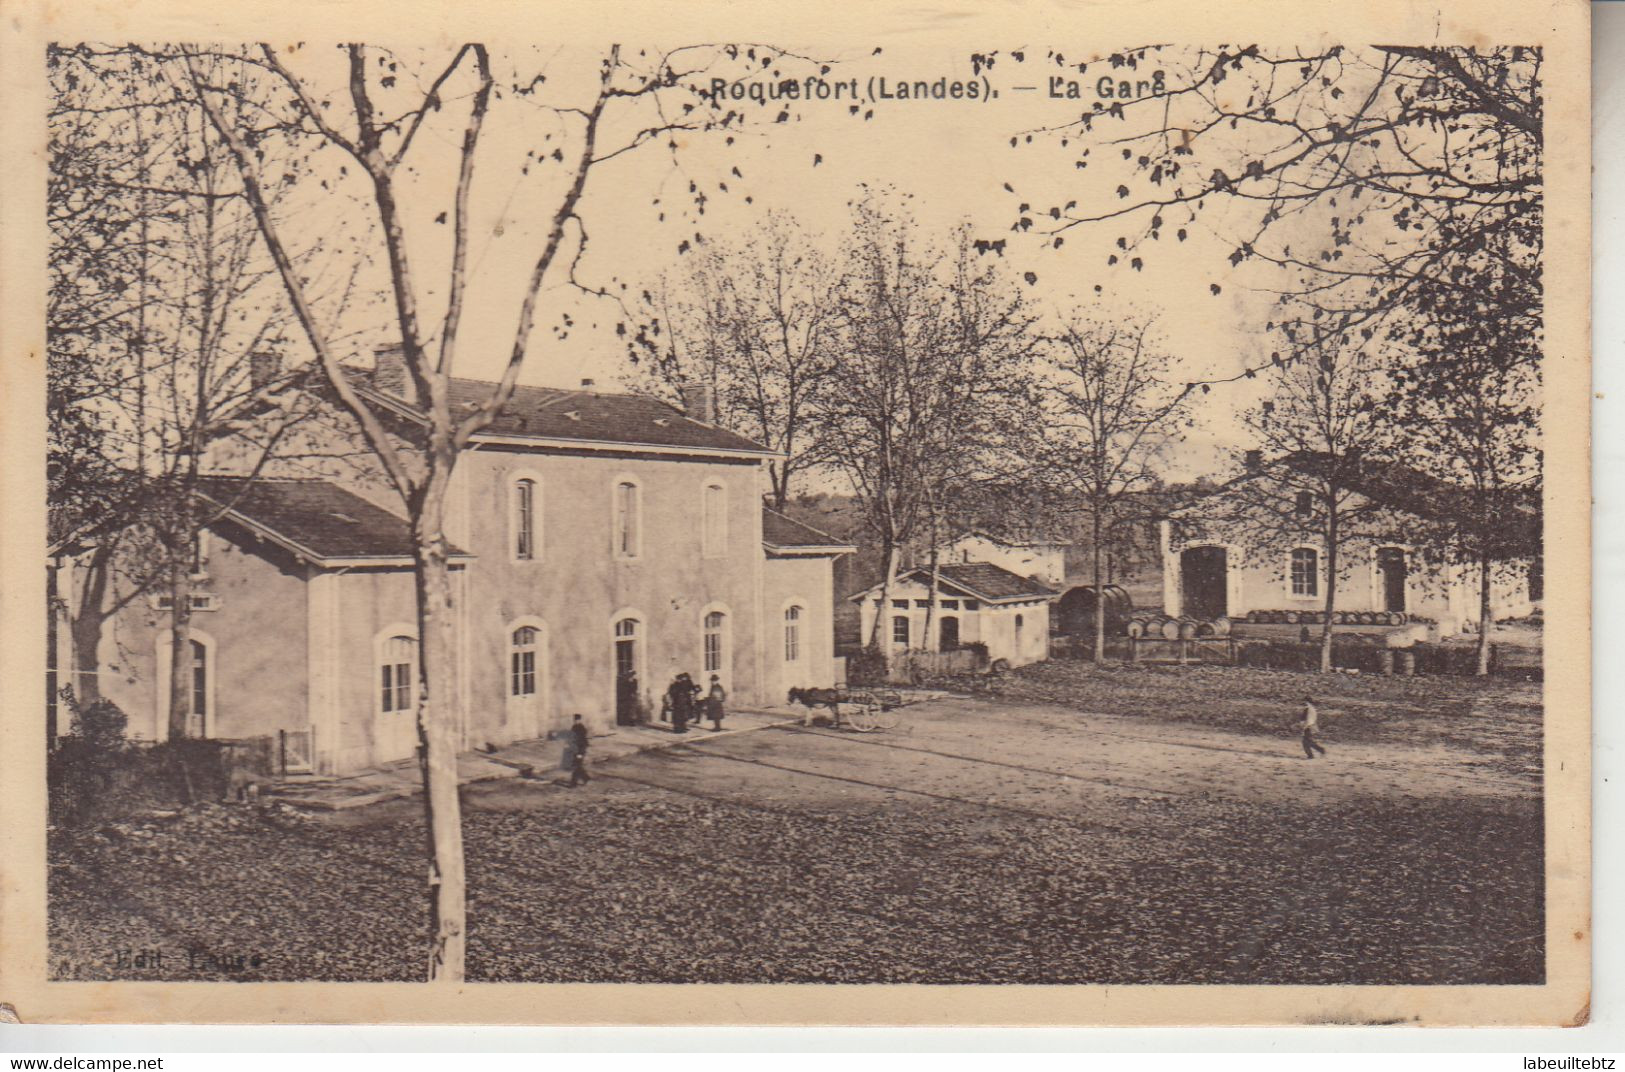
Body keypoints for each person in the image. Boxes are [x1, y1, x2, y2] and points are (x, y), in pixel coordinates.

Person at [568, 714, 591, 786]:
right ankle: (585, 777)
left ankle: (573, 783)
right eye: (575, 720)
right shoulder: (574, 727)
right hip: (575, 749)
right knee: (577, 766)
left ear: (580, 720)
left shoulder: (582, 729)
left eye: (577, 720)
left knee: (576, 766)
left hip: (580, 750)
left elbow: (583, 742)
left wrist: (580, 753)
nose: (575, 721)